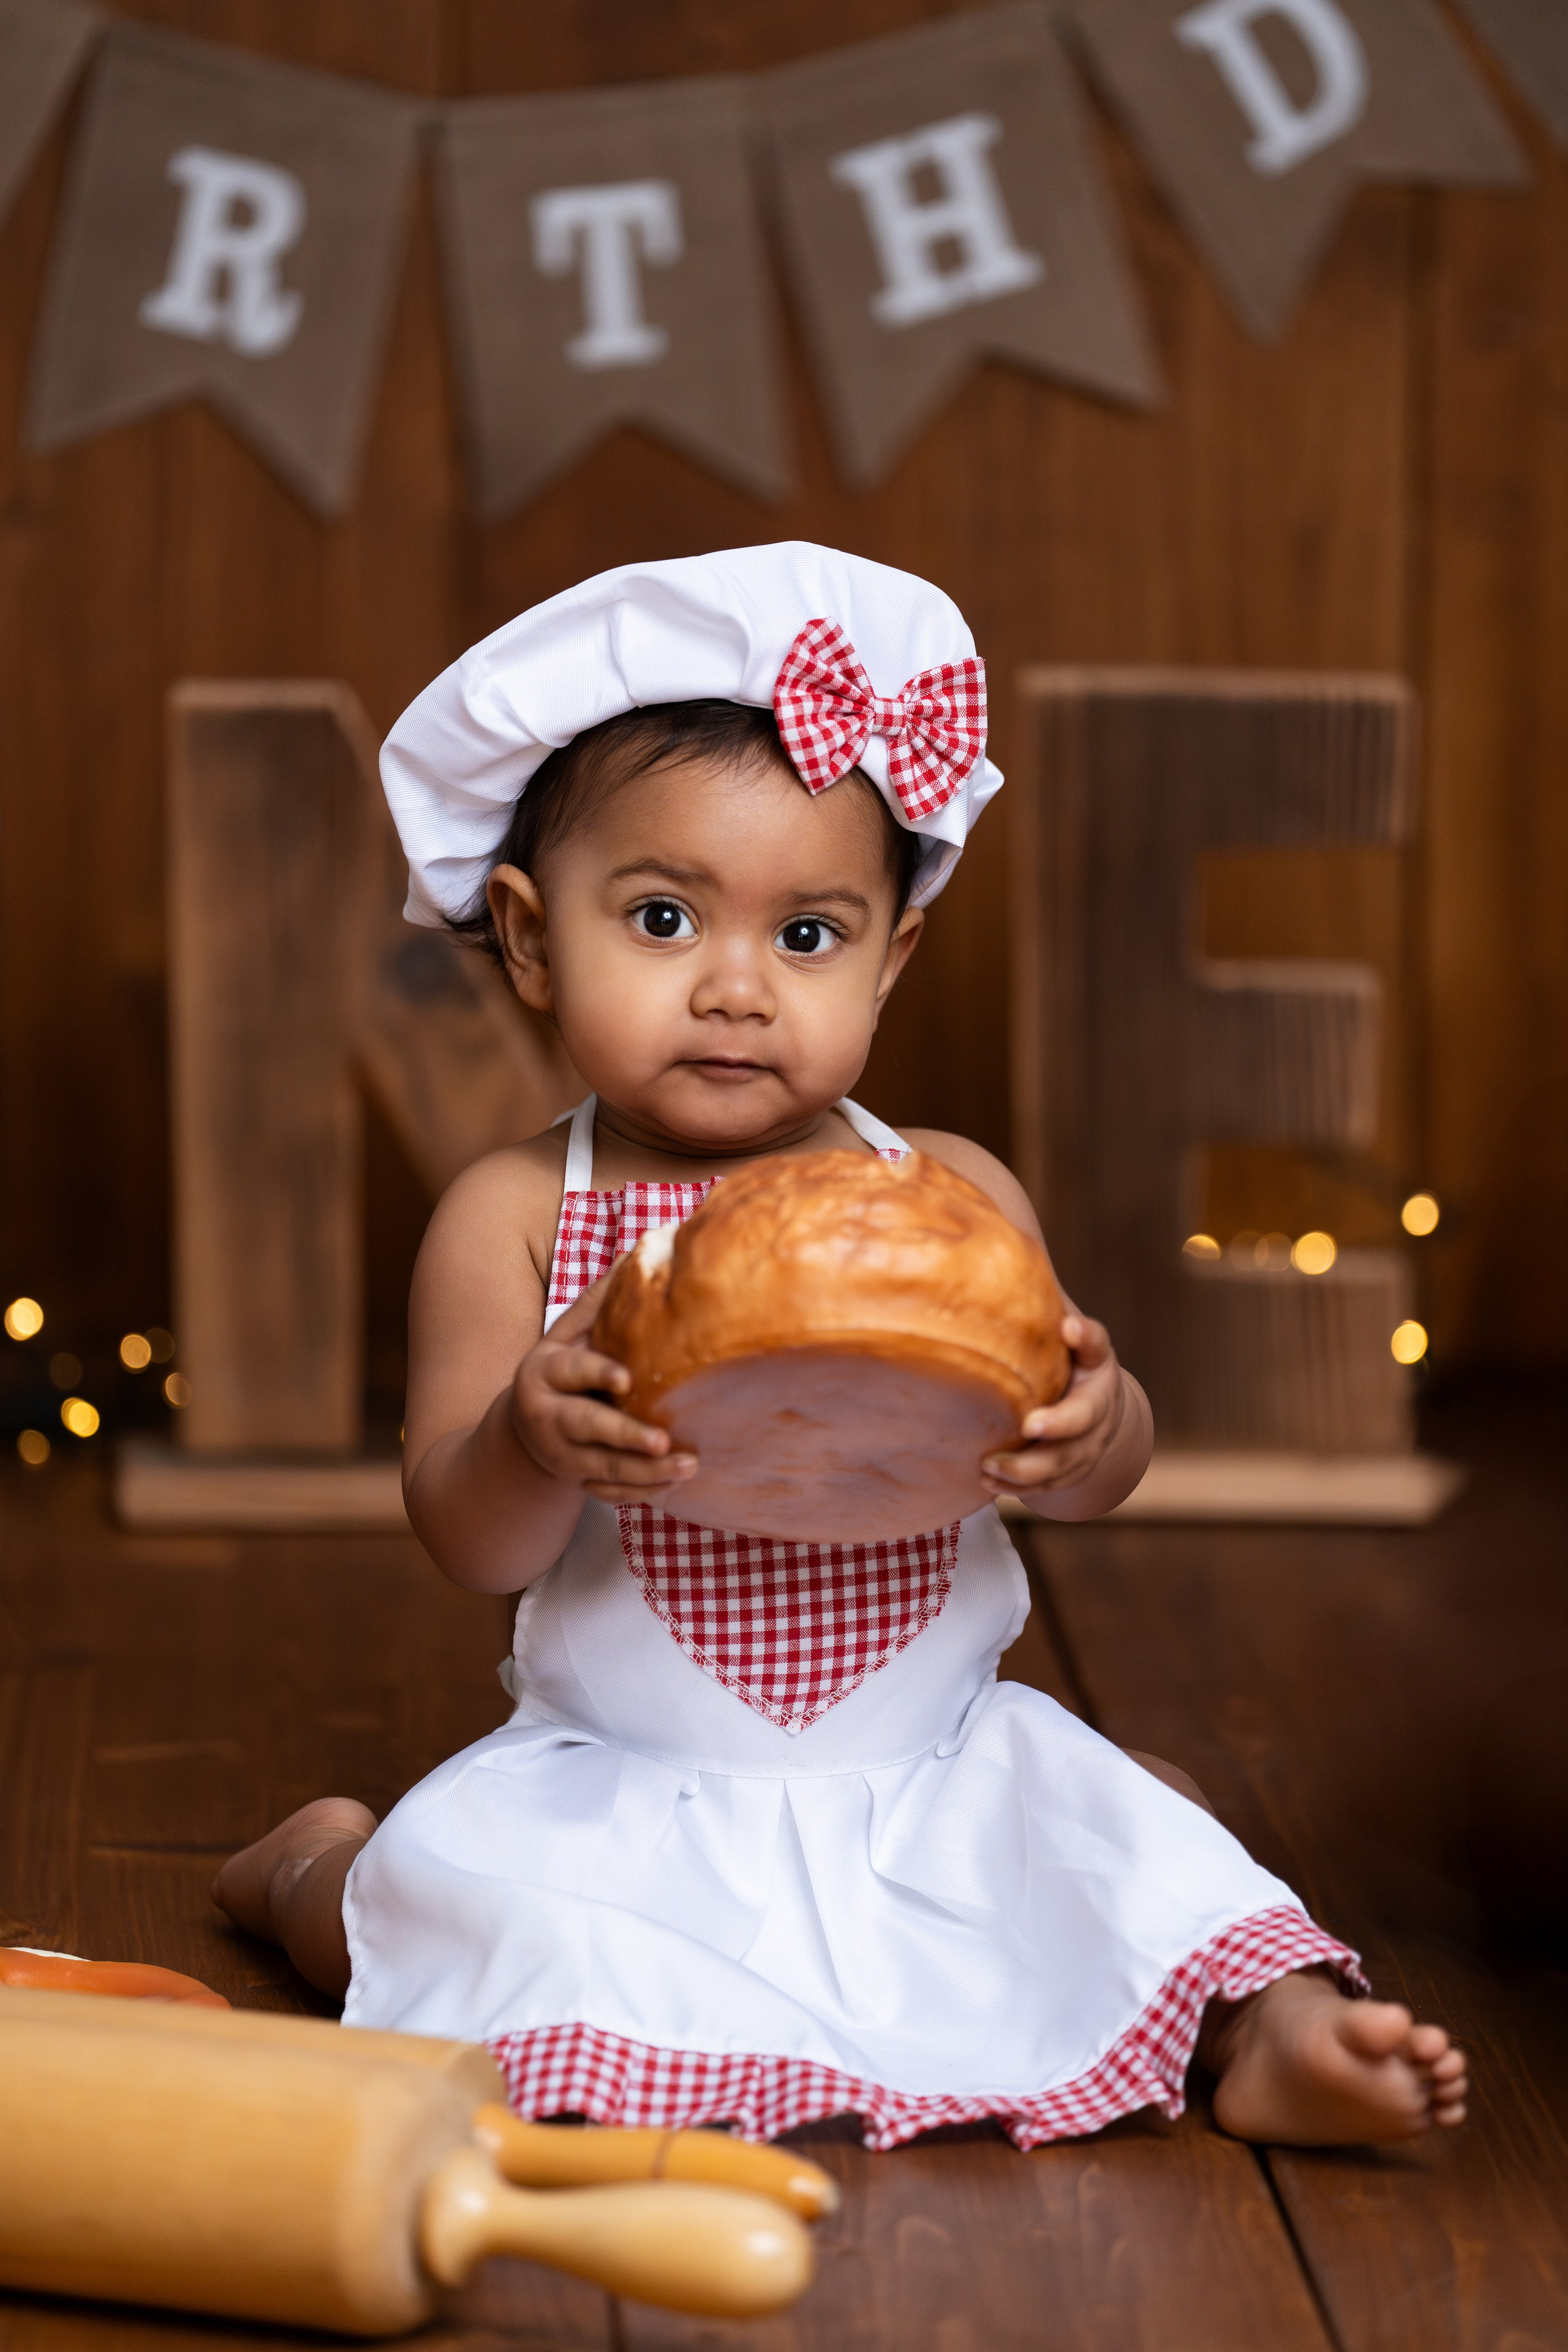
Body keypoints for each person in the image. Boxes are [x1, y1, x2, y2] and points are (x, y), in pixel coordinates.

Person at [215, 544, 1466, 2150]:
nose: (735, 989)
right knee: (464, 1907)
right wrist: (528, 1439)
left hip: (930, 1770)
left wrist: (1099, 1427)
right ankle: (310, 1869)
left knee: (1140, 1824)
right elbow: (467, 1541)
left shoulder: (944, 1197)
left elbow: (1081, 1475)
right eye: (662, 918)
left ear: (892, 955)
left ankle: (1277, 2031)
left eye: (809, 936)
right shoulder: (517, 1217)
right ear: (529, 940)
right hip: (627, 1784)